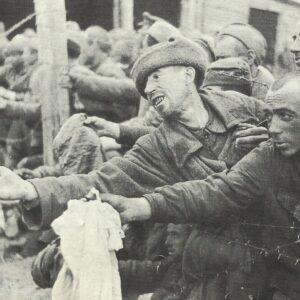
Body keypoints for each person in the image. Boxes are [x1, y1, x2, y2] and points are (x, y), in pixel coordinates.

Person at [0, 36, 268, 299]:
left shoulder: (239, 105)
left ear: (188, 74)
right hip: (221, 261)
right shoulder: (158, 145)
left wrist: (267, 138)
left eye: (156, 77)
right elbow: (102, 180)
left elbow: (288, 129)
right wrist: (30, 190)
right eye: (144, 87)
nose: (149, 90)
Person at [101, 72, 300, 300]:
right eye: (270, 116)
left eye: (285, 116)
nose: (272, 128)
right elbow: (218, 190)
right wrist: (141, 205)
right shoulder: (271, 154)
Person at [215, 22, 274, 100]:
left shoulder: (270, 96)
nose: (217, 65)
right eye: (217, 59)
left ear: (249, 57)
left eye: (224, 58)